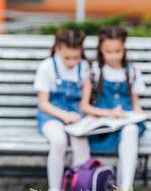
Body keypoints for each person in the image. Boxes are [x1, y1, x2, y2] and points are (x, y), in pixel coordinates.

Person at [80, 26, 146, 191]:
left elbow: (136, 105)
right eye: (109, 51)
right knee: (128, 132)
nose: (114, 56)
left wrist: (138, 112)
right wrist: (110, 114)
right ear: (101, 51)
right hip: (104, 128)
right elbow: (84, 106)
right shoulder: (94, 71)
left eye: (118, 51)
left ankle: (125, 187)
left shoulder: (132, 71)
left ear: (124, 49)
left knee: (130, 130)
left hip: (126, 124)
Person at [33, 29, 91, 191]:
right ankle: (55, 188)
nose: (72, 62)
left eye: (76, 57)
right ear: (57, 50)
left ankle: (80, 186)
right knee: (59, 141)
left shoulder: (84, 67)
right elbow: (43, 103)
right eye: (67, 57)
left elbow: (84, 101)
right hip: (51, 115)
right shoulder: (47, 67)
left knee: (81, 142)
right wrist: (64, 115)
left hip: (76, 115)